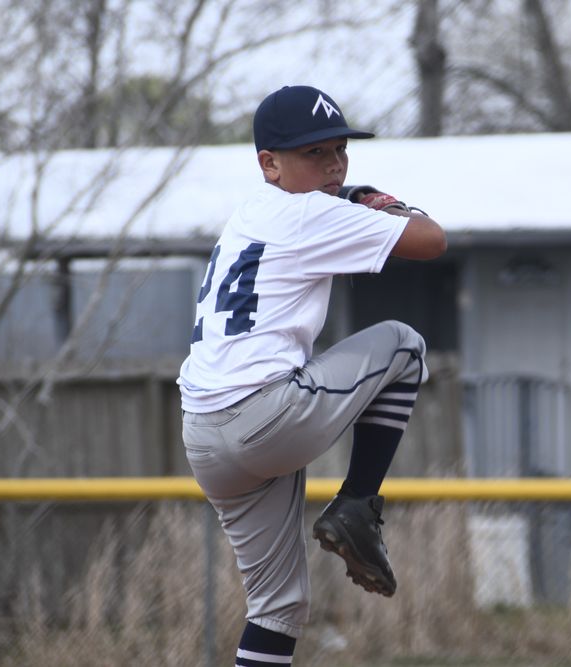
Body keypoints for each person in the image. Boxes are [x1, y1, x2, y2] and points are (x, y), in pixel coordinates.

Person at [177, 84, 446, 667]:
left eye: (339, 151)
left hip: (203, 435)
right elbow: (431, 240)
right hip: (265, 415)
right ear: (268, 164)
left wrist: (345, 191)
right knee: (404, 344)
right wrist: (376, 198)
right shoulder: (310, 211)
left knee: (276, 610)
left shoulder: (247, 215)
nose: (333, 164)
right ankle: (357, 501)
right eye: (313, 154)